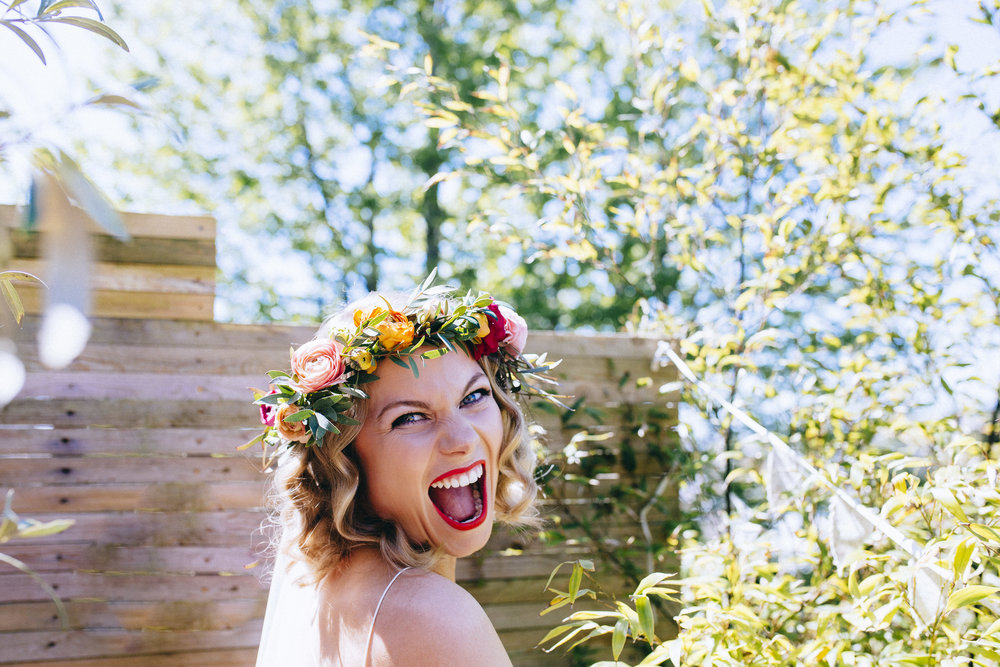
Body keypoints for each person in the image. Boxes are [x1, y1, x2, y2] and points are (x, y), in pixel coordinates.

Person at [251, 277, 556, 666]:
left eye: (474, 396)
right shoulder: (436, 619)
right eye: (410, 417)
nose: (462, 439)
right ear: (345, 458)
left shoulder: (326, 597)